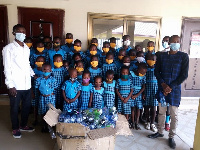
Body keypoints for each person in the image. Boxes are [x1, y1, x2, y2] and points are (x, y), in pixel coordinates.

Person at [148, 35, 189, 149]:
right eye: (174, 41)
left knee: (174, 114)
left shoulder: (183, 56)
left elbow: (184, 75)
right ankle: (160, 131)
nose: (176, 43)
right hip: (162, 89)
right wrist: (163, 85)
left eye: (178, 41)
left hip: (174, 90)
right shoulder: (162, 56)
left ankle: (171, 136)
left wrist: (170, 87)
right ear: (169, 43)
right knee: (161, 112)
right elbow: (157, 72)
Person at [2, 24, 35, 138]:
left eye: (23, 31)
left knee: (26, 106)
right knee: (15, 108)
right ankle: (15, 128)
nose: (22, 33)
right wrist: (10, 85)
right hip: (15, 84)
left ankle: (24, 125)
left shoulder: (26, 48)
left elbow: (27, 64)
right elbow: (7, 68)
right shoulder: (8, 49)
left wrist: (33, 74)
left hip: (27, 84)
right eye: (19, 31)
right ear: (14, 33)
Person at [35, 63, 58, 132]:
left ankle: (50, 126)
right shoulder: (39, 80)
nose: (46, 71)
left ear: (51, 70)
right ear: (42, 70)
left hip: (51, 97)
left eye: (48, 70)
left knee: (50, 111)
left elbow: (55, 88)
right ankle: (44, 125)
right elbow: (37, 89)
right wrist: (42, 94)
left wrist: (52, 94)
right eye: (44, 69)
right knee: (43, 111)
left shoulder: (53, 80)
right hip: (42, 98)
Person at [143, 54, 158, 132]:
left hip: (154, 90)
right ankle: (147, 121)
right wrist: (143, 92)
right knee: (146, 107)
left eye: (153, 59)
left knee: (153, 107)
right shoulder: (145, 69)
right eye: (149, 59)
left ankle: (152, 123)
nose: (151, 60)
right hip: (147, 89)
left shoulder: (157, 69)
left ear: (156, 61)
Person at [130, 63, 147, 130]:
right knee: (132, 108)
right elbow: (129, 85)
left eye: (144, 73)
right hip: (131, 94)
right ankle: (132, 122)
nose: (143, 74)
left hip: (138, 95)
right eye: (142, 72)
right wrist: (131, 95)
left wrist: (137, 95)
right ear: (138, 69)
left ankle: (137, 123)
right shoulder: (131, 75)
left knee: (138, 109)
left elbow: (143, 87)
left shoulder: (143, 77)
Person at [32, 56, 45, 125]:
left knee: (43, 106)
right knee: (35, 105)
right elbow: (30, 82)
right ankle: (35, 119)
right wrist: (32, 92)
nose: (40, 62)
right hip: (35, 91)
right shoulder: (33, 71)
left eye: (41, 61)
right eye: (38, 61)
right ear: (35, 62)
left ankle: (44, 121)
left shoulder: (45, 71)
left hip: (43, 92)